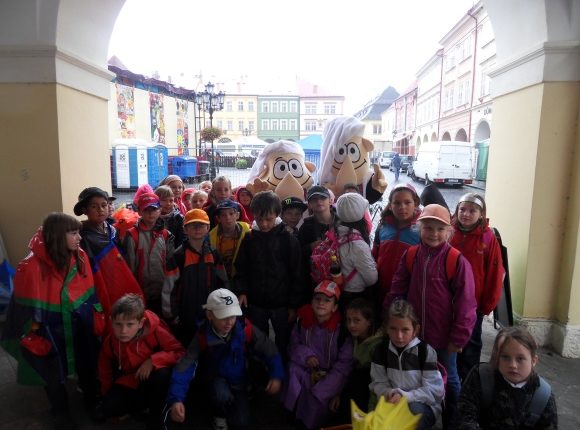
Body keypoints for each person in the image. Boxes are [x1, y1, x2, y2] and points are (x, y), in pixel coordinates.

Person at [0, 213, 102, 430]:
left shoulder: (79, 255)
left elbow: (87, 291)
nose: (79, 238)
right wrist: (33, 331)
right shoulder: (31, 266)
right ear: (57, 236)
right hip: (48, 327)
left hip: (77, 322)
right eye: (73, 233)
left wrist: (95, 314)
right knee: (52, 373)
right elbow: (24, 309)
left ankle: (93, 402)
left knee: (86, 364)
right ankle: (60, 412)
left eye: (78, 233)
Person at [385, 203, 477, 427]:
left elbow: (466, 304)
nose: (434, 234)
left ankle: (453, 421)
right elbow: (397, 290)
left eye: (440, 229)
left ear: (449, 231)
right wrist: (390, 321)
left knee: (450, 379)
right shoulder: (411, 255)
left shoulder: (455, 260)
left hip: (444, 338)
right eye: (428, 228)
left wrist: (459, 338)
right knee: (417, 376)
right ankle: (422, 414)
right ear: (419, 228)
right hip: (413, 336)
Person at [167, 288, 284, 430]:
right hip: (216, 379)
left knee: (241, 421)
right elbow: (185, 365)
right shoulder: (202, 336)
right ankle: (219, 413)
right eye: (223, 317)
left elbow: (269, 349)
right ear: (210, 315)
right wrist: (176, 399)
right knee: (220, 395)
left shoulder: (245, 328)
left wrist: (276, 375)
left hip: (240, 380)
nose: (229, 322)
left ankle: (239, 398)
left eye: (233, 316)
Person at [97, 294, 185, 430]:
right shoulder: (110, 341)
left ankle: (156, 415)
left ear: (141, 323)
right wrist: (106, 394)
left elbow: (180, 352)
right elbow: (104, 369)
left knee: (162, 374)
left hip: (154, 380)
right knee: (108, 407)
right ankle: (142, 408)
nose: (123, 331)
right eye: (118, 324)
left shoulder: (156, 332)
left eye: (130, 324)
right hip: (131, 381)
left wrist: (153, 361)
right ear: (111, 321)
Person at [234, 190, 305, 360]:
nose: (264, 224)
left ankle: (282, 370)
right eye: (259, 219)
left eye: (269, 219)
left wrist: (293, 305)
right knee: (258, 342)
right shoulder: (249, 239)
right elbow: (241, 268)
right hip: (256, 303)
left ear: (277, 215)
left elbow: (297, 273)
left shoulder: (288, 240)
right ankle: (260, 371)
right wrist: (242, 291)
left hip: (282, 305)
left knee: (284, 341)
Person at [453, 326, 558, 429]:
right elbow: (463, 417)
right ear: (497, 357)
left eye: (520, 359)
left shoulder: (543, 395)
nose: (513, 365)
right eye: (505, 357)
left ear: (533, 361)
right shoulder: (481, 377)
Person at [283, 280, 353, 430]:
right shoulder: (303, 320)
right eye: (318, 299)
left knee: (315, 400)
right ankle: (290, 412)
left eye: (327, 300)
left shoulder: (342, 330)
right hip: (308, 370)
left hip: (329, 377)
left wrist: (322, 388)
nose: (321, 303)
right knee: (293, 370)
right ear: (312, 302)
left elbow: (343, 366)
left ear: (335, 307)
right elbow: (293, 345)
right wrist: (306, 356)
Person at [450, 193, 505, 380]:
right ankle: (450, 379)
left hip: (473, 305)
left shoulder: (488, 238)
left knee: (471, 343)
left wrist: (486, 305)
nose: (466, 214)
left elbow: (495, 274)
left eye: (472, 211)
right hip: (448, 300)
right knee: (449, 341)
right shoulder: (449, 232)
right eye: (462, 209)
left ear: (481, 214)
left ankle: (469, 381)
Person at [370, 300, 445, 430]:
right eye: (393, 329)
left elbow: (435, 391)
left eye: (405, 330)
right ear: (386, 328)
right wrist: (390, 393)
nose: (399, 336)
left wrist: (406, 397)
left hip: (423, 406)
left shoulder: (425, 351)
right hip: (392, 403)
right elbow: (378, 383)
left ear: (415, 330)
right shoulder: (380, 351)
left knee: (411, 414)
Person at [74, 186, 143, 321]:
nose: (100, 209)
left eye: (104, 205)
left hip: (116, 278)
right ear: (85, 210)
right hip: (98, 282)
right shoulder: (81, 235)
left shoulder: (113, 230)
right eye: (94, 206)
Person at [169, 209, 229, 346]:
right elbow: (169, 288)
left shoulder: (214, 253)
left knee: (209, 343)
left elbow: (223, 282)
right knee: (187, 344)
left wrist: (224, 306)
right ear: (185, 229)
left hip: (210, 309)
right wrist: (172, 314)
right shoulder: (178, 256)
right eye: (192, 225)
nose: (197, 228)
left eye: (201, 225)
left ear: (208, 228)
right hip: (186, 311)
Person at [123, 192, 178, 317]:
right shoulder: (132, 235)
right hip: (141, 291)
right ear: (139, 211)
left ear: (160, 210)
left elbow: (171, 265)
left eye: (154, 209)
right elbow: (130, 267)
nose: (151, 213)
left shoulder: (166, 235)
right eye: (146, 210)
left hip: (162, 290)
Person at [372, 183, 421, 309]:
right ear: (390, 205)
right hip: (380, 286)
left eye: (407, 202)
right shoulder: (383, 226)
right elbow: (374, 254)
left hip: (406, 292)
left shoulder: (421, 230)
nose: (402, 207)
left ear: (415, 203)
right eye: (397, 203)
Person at [335, 298, 382, 422]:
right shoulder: (351, 339)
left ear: (369, 322)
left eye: (356, 320)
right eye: (349, 320)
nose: (351, 325)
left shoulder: (377, 346)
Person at [334, 192, 378, 309]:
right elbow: (371, 279)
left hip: (339, 289)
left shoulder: (336, 233)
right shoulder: (357, 245)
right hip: (354, 295)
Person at [298, 185, 339, 288]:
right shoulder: (305, 227)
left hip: (343, 274)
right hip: (317, 281)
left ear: (330, 201)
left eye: (323, 198)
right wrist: (311, 247)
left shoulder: (342, 221)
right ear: (309, 205)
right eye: (314, 199)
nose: (319, 201)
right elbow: (299, 254)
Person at [208, 199, 250, 281]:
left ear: (237, 215)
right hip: (219, 277)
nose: (228, 218)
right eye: (223, 215)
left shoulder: (247, 231)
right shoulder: (211, 236)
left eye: (231, 213)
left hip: (241, 276)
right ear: (218, 218)